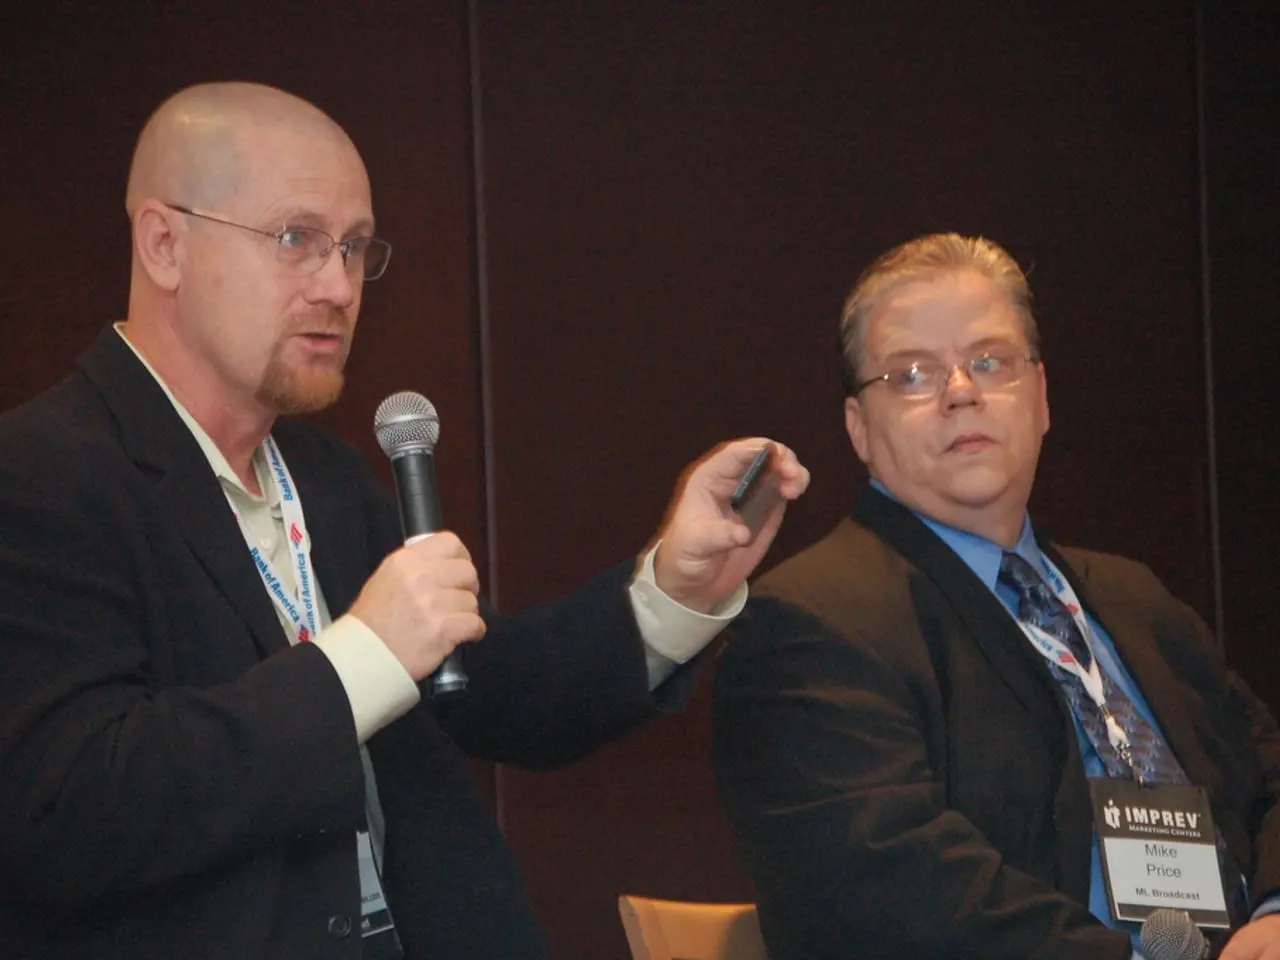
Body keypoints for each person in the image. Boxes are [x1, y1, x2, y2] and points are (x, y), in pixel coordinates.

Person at [0, 82, 809, 960]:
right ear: (165, 244)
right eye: (296, 239)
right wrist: (360, 658)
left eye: (355, 249)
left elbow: (491, 691)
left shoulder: (327, 478)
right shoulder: (42, 474)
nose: (339, 285)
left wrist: (671, 588)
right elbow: (70, 807)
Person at [713, 233, 1280, 960]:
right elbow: (894, 895)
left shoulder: (1136, 601)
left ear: (1041, 397)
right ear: (858, 428)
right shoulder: (810, 625)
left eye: (989, 361)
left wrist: (1271, 913)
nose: (961, 391)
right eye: (912, 374)